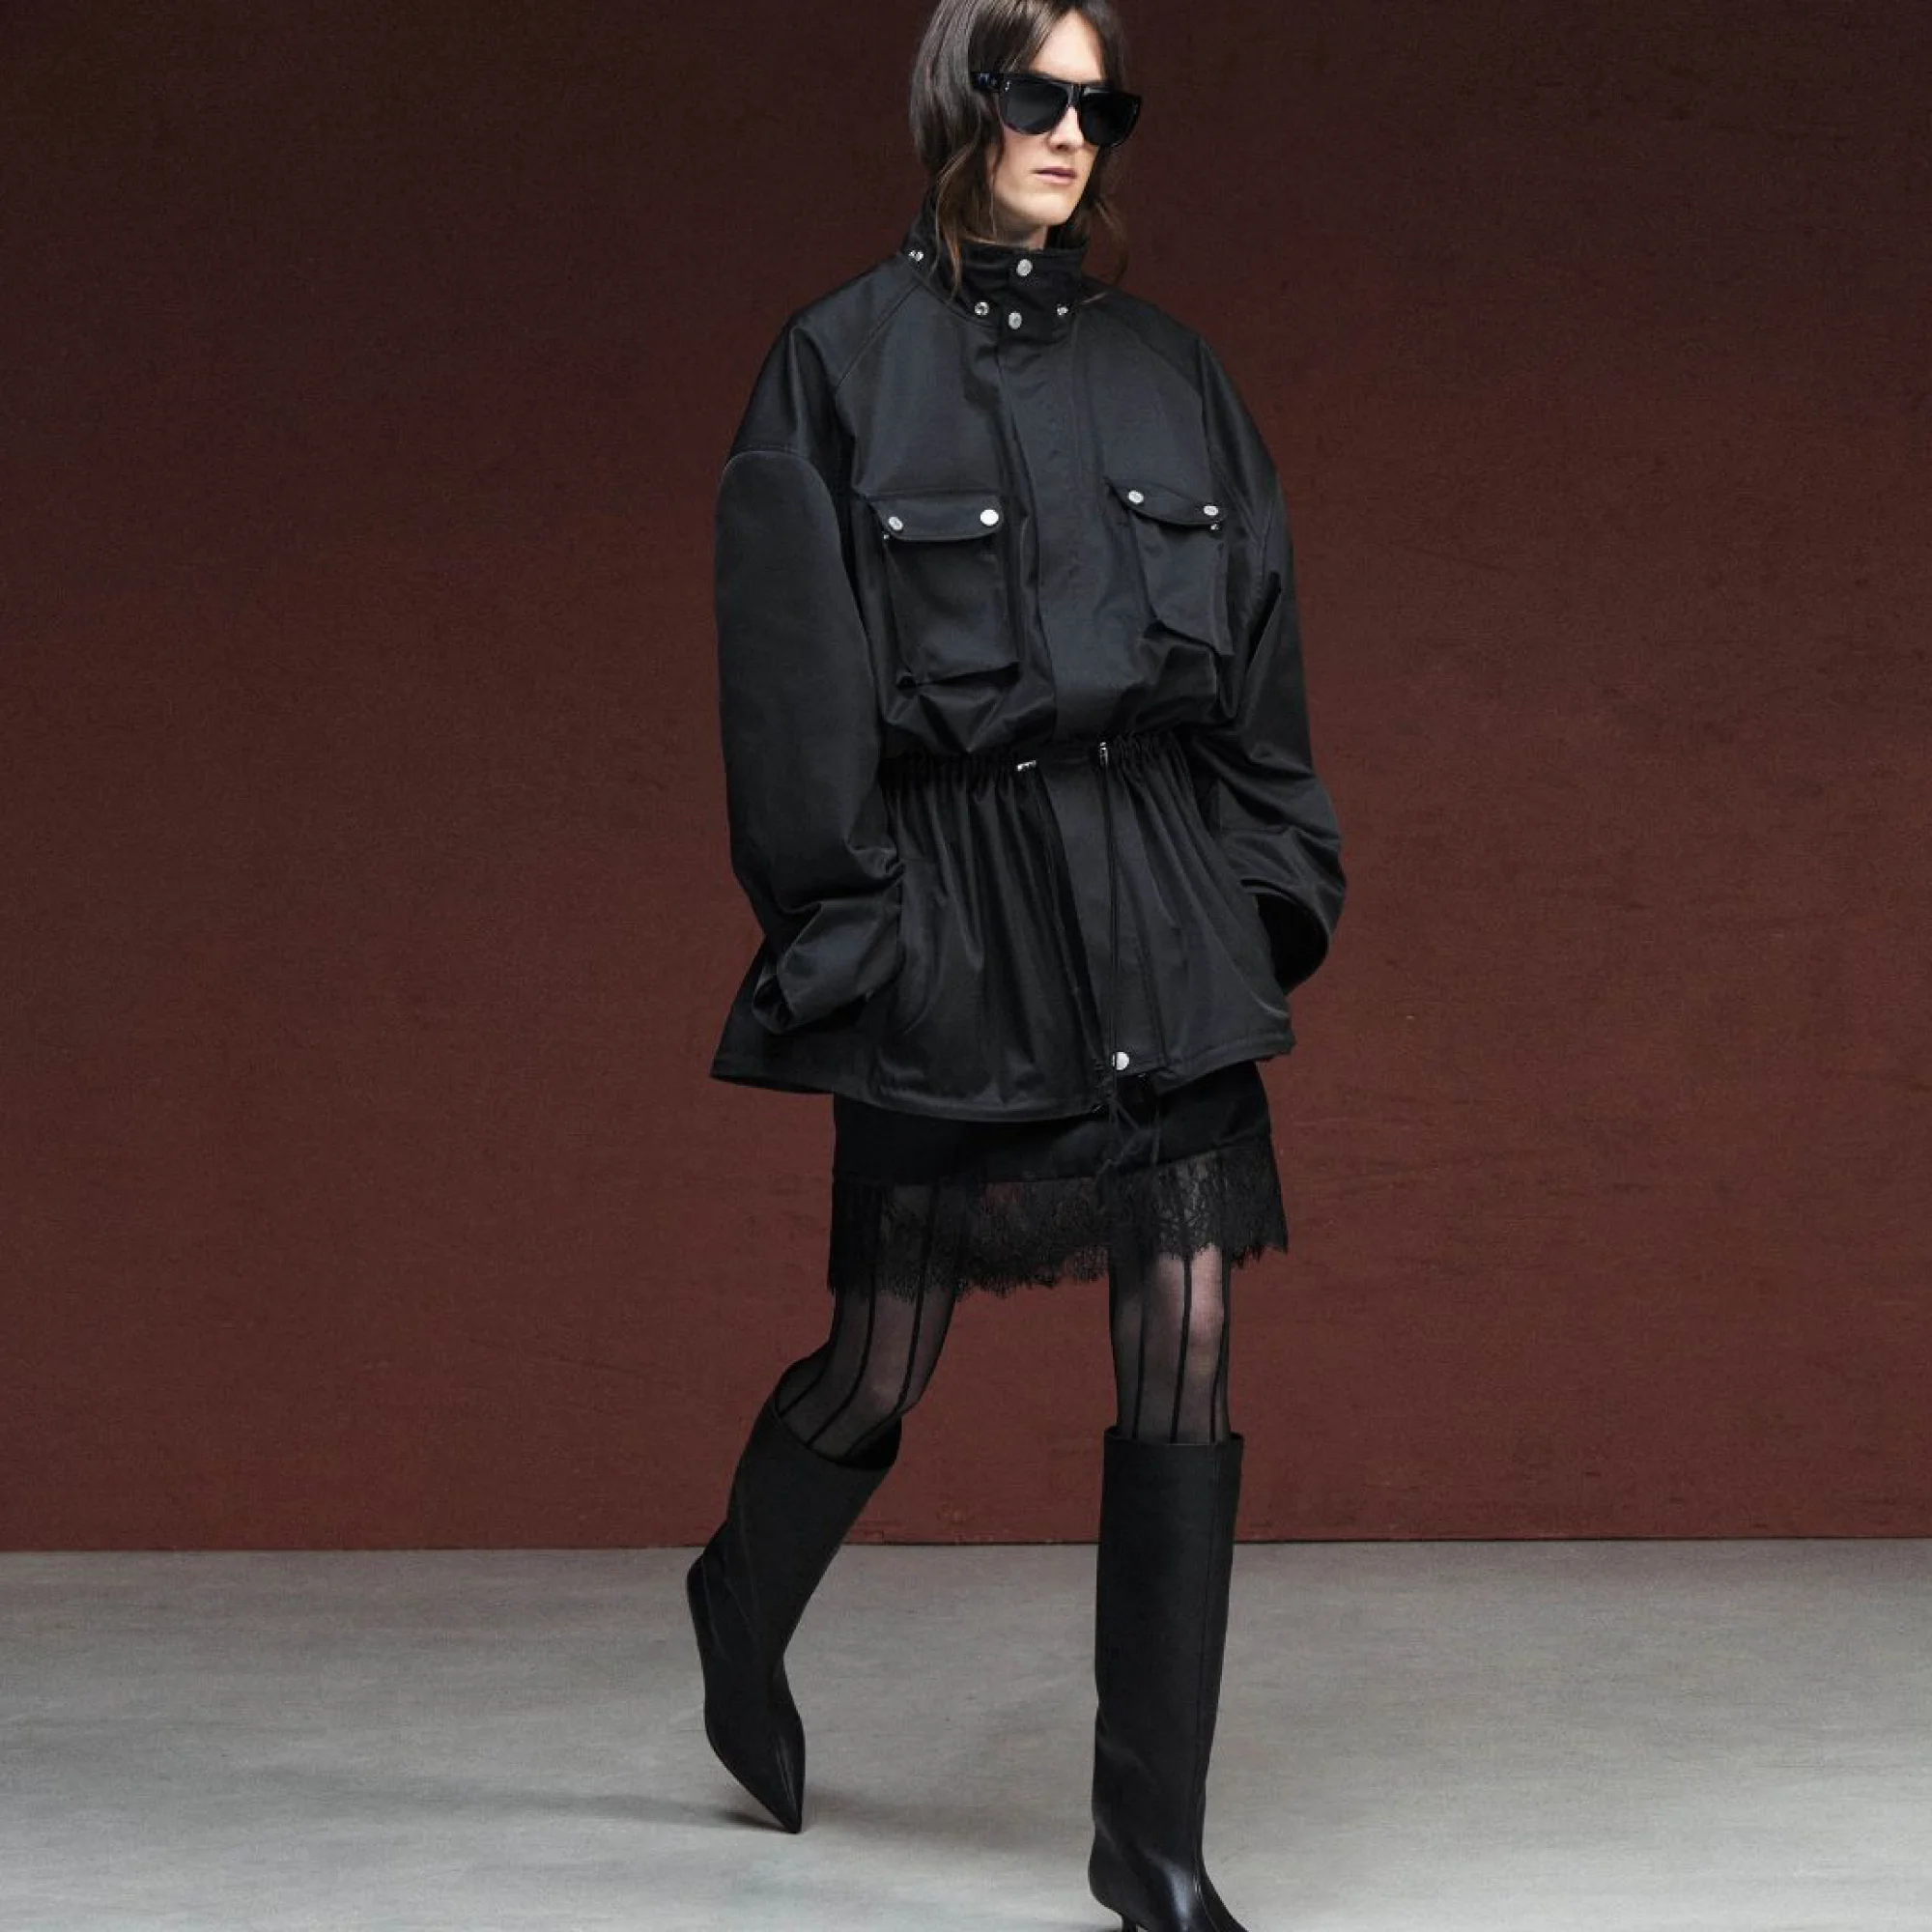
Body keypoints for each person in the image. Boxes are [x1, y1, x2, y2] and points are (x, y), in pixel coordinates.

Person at [686, 4, 1347, 1927]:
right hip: (954, 916)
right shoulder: (836, 363)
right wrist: (856, 932)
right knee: (882, 1355)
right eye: (1031, 93)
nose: (1070, 131)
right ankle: (738, 1594)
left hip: (1157, 906)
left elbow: (1264, 665)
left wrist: (1266, 891)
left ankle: (1152, 1853)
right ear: (955, 102)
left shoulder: (1170, 372)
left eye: (1096, 101)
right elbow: (789, 693)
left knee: (1188, 1334)